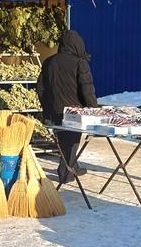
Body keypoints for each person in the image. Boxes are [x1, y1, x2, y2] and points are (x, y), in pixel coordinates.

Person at [36, 29, 98, 182]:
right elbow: (87, 89)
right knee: (72, 142)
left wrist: (47, 107)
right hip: (74, 112)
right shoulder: (79, 63)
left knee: (63, 140)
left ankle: (73, 166)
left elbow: (40, 87)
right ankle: (66, 173)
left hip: (54, 110)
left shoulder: (49, 62)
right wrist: (93, 109)